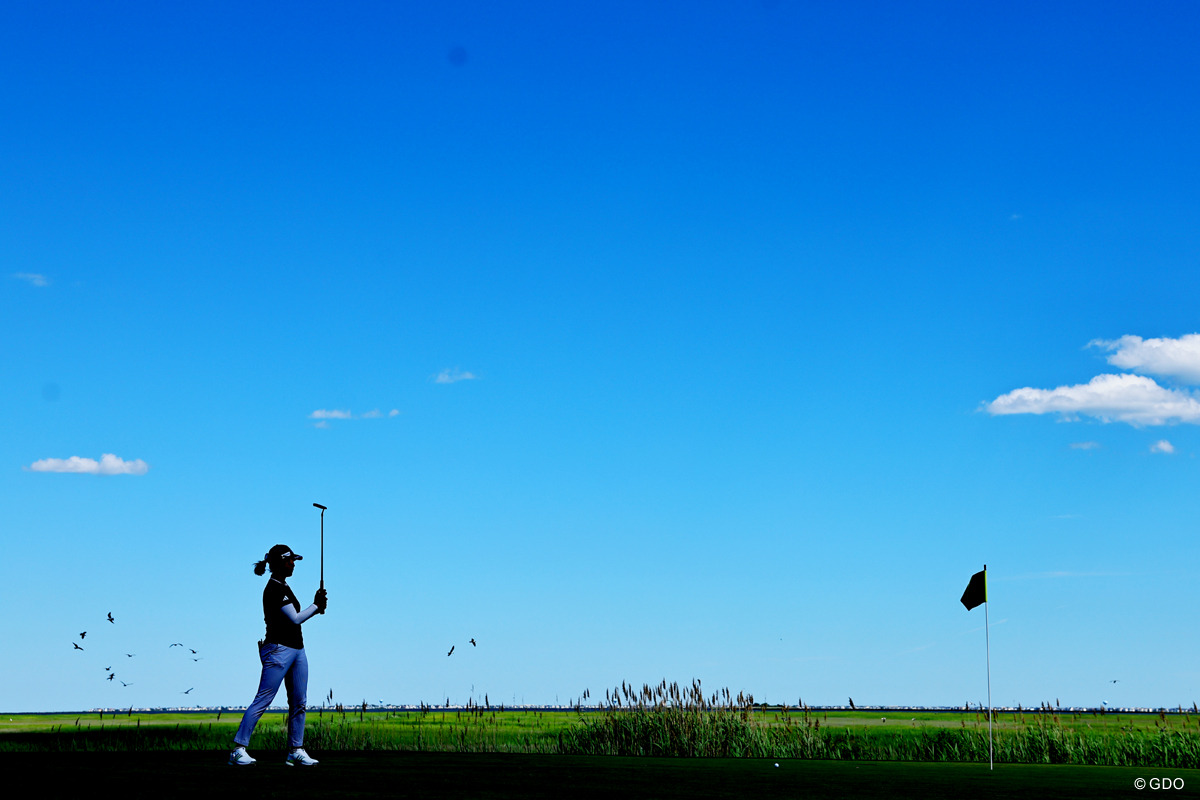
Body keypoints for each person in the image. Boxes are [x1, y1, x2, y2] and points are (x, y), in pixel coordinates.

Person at [228, 544, 328, 766]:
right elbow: (294, 618)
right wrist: (317, 606)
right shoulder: (274, 588)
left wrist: (316, 606)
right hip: (278, 650)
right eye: (290, 560)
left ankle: (296, 750)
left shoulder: (284, 585)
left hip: (297, 649)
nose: (293, 564)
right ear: (280, 563)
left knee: (299, 701)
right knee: (263, 699)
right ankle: (238, 749)